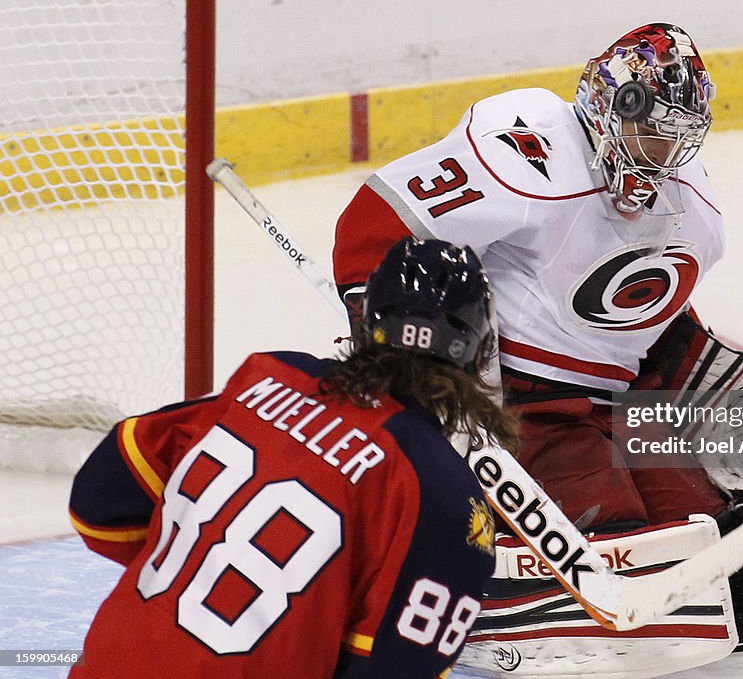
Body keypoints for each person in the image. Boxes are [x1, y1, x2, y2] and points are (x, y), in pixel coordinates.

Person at [332, 23, 743, 672]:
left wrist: (694, 365)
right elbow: (374, 221)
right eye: (653, 132)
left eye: (679, 137)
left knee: (708, 528)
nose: (662, 155)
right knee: (618, 537)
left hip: (616, 407)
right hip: (513, 405)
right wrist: (392, 340)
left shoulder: (695, 211)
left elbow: (640, 312)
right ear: (610, 106)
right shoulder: (529, 150)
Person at [68, 237, 518, 679]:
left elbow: (98, 502)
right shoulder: (445, 496)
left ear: (367, 322)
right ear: (479, 350)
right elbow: (396, 665)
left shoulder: (268, 378)